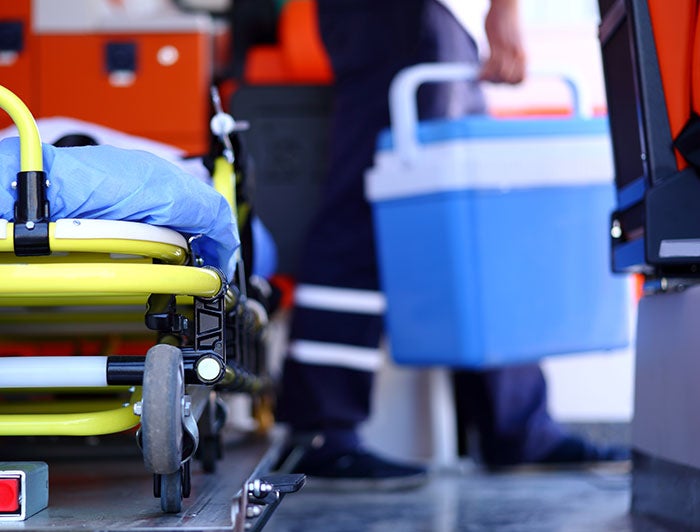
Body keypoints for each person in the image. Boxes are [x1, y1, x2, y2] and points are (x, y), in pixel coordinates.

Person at [276, 0, 629, 489]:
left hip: (431, 18)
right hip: (399, 17)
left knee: (459, 206)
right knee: (373, 198)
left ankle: (515, 425)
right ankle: (320, 430)